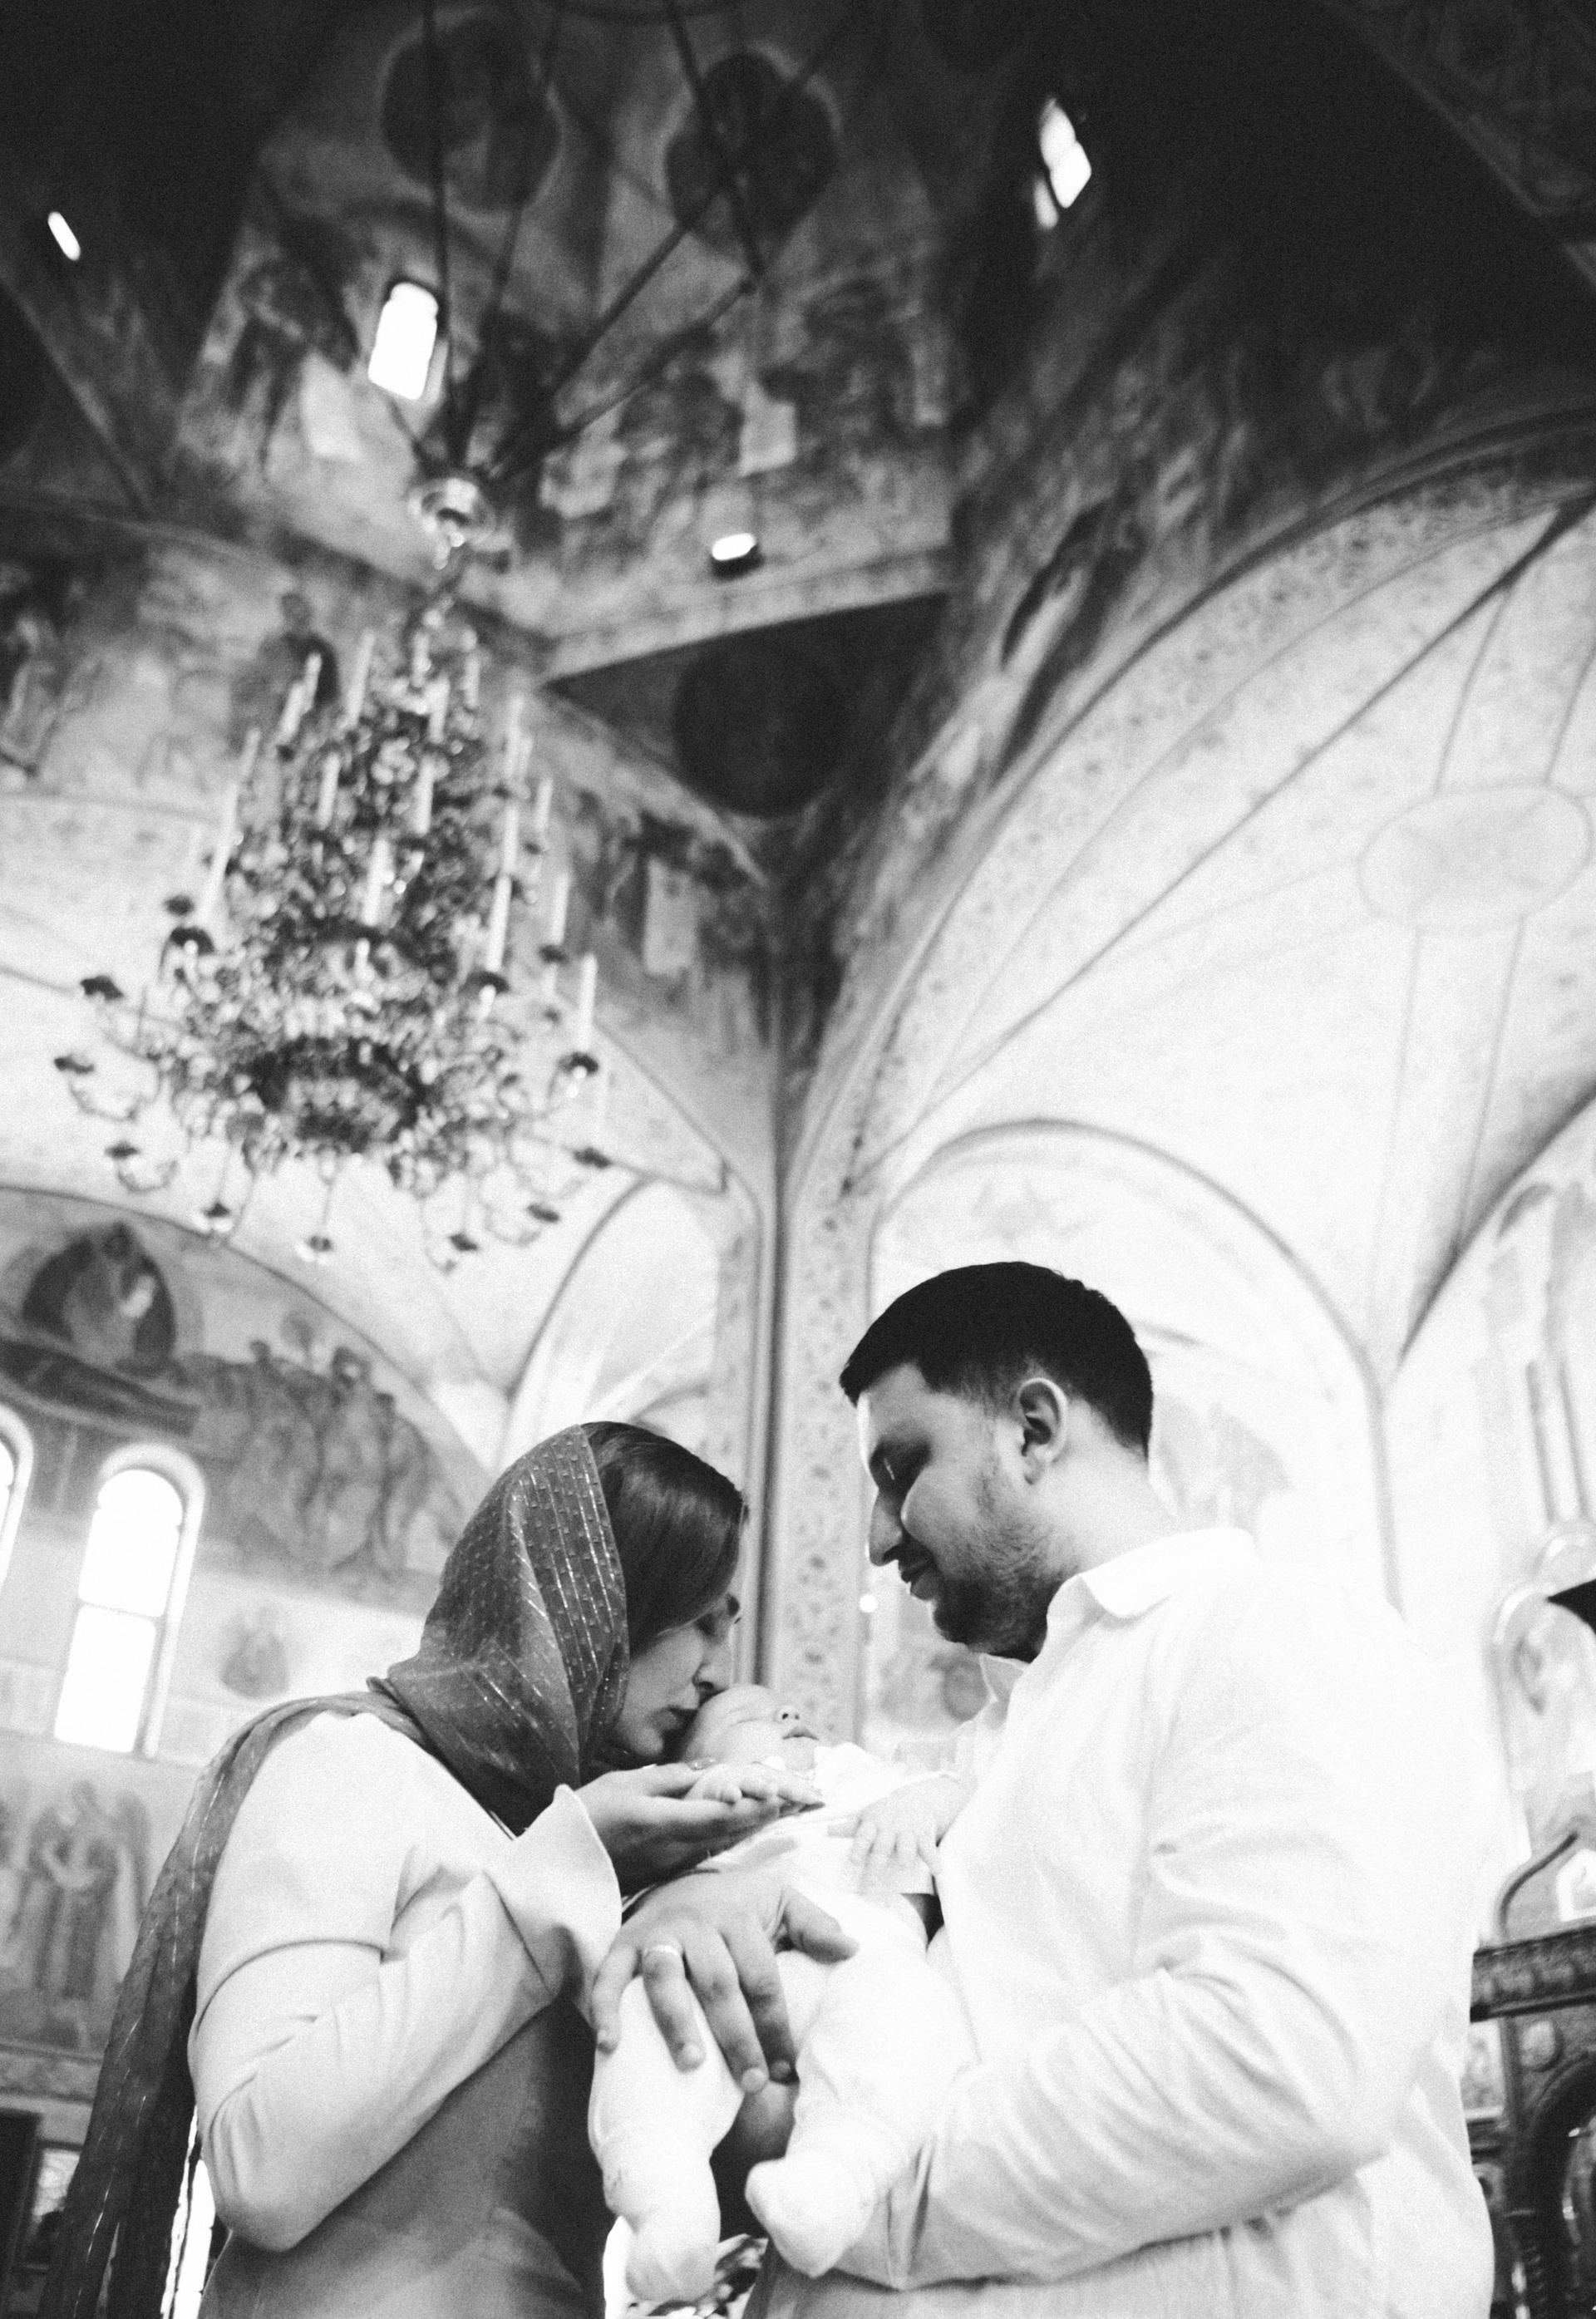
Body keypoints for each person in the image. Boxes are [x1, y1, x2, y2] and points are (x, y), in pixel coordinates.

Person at [739, 1262, 1493, 2319]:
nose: (877, 1536)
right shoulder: (992, 1744)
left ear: (1033, 1429)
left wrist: (847, 2193)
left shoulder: (1279, 1630)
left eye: (902, 1469)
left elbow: (1272, 2063)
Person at [42, 1422, 850, 2319]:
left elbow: (718, 2178)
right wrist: (565, 1868)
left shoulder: (594, 1848)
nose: (714, 1674)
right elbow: (260, 2171)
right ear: (599, 1594)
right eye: (700, 1621)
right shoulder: (352, 1760)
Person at [590, 1682, 973, 2303]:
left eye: (797, 1710)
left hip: (864, 1960)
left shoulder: (873, 1776)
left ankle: (832, 2180)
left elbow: (961, 1789)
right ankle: (664, 2199)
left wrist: (922, 1803)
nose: (791, 1714)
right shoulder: (705, 1810)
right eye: (748, 1716)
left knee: (916, 2012)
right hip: (740, 1970)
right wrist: (715, 1791)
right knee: (649, 2011)